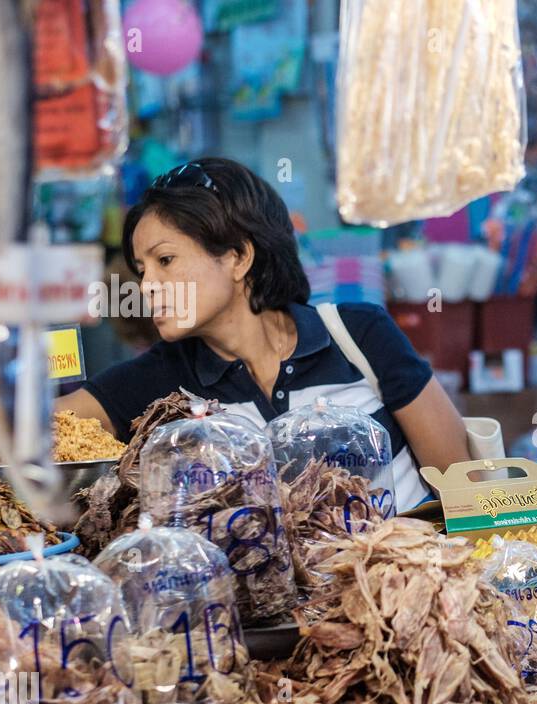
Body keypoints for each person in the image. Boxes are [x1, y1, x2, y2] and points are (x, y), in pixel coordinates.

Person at [59, 158, 469, 509]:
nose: (147, 286)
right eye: (142, 269)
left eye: (165, 260)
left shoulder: (359, 334)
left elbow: (460, 486)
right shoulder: (162, 379)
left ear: (238, 256)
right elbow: (40, 433)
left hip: (405, 584)